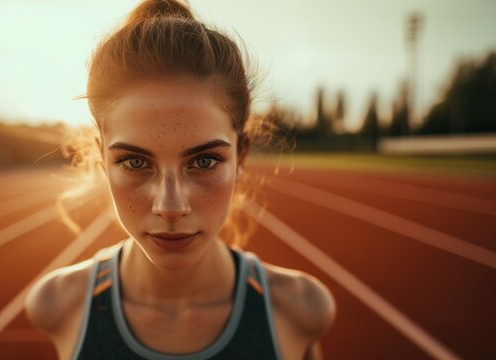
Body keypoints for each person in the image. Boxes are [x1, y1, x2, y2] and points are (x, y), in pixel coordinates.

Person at [24, 1, 335, 359]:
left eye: (204, 161)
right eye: (134, 161)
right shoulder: (58, 305)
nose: (170, 207)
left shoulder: (299, 310)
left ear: (242, 156)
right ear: (101, 158)